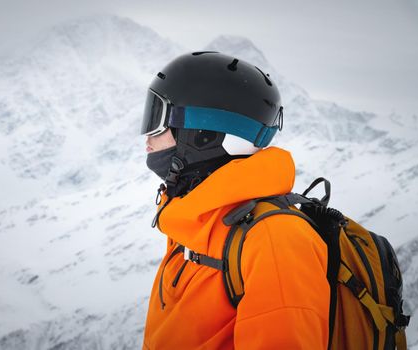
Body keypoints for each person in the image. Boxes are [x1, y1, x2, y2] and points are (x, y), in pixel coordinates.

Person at [140, 52, 330, 349]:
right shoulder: (198, 219)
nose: (147, 139)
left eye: (158, 121)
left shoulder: (274, 240)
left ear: (203, 134)